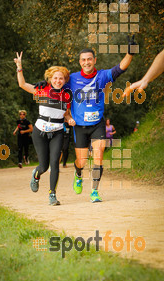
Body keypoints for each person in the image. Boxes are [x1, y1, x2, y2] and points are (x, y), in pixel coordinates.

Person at [35, 37, 136, 203]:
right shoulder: (72, 79)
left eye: (90, 59)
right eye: (83, 60)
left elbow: (120, 69)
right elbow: (56, 83)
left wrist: (130, 54)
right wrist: (43, 85)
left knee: (98, 157)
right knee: (81, 161)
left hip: (97, 124)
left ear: (94, 60)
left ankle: (94, 191)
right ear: (80, 62)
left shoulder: (102, 76)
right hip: (80, 127)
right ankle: (78, 173)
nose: (87, 62)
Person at [14, 51, 75, 205]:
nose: (58, 80)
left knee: (54, 163)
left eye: (61, 78)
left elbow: (66, 114)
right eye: (55, 78)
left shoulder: (67, 95)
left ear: (65, 80)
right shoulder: (42, 89)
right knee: (43, 166)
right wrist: (19, 67)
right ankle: (36, 174)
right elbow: (22, 84)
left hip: (57, 132)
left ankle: (52, 194)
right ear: (50, 78)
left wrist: (70, 119)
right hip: (39, 131)